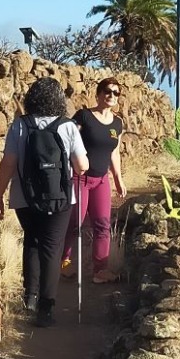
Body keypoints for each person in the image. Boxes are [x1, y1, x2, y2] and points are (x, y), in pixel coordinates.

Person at [0, 75, 88, 326]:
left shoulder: (19, 125)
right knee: (52, 248)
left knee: (32, 242)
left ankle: (30, 297)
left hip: (24, 197)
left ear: (32, 98)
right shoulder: (67, 126)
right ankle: (46, 309)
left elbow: (8, 163)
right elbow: (81, 166)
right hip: (60, 198)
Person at [63, 77, 126, 284]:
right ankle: (63, 261)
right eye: (107, 91)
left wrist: (118, 179)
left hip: (101, 180)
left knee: (102, 224)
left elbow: (114, 152)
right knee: (75, 222)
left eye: (116, 93)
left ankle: (101, 270)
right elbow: (68, 141)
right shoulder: (84, 116)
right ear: (98, 94)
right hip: (80, 178)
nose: (111, 95)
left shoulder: (117, 123)